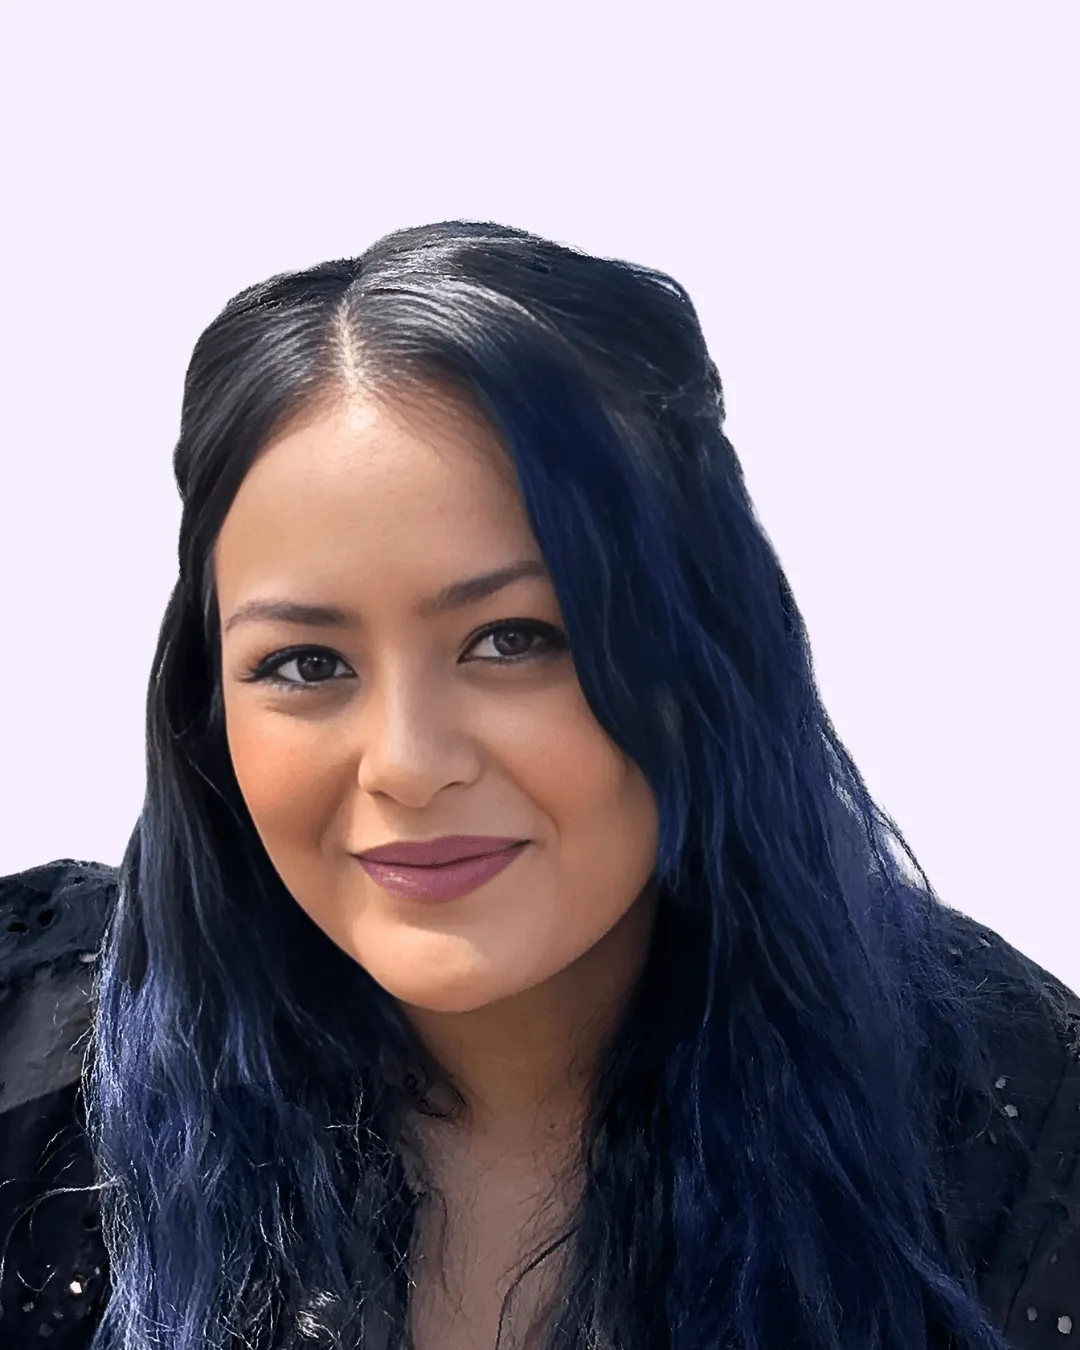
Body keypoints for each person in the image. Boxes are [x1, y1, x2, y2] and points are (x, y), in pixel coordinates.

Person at [0, 221, 1077, 1350]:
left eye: (514, 640)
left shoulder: (1010, 1126)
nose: (407, 762)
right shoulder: (33, 1063)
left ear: (708, 659)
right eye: (307, 665)